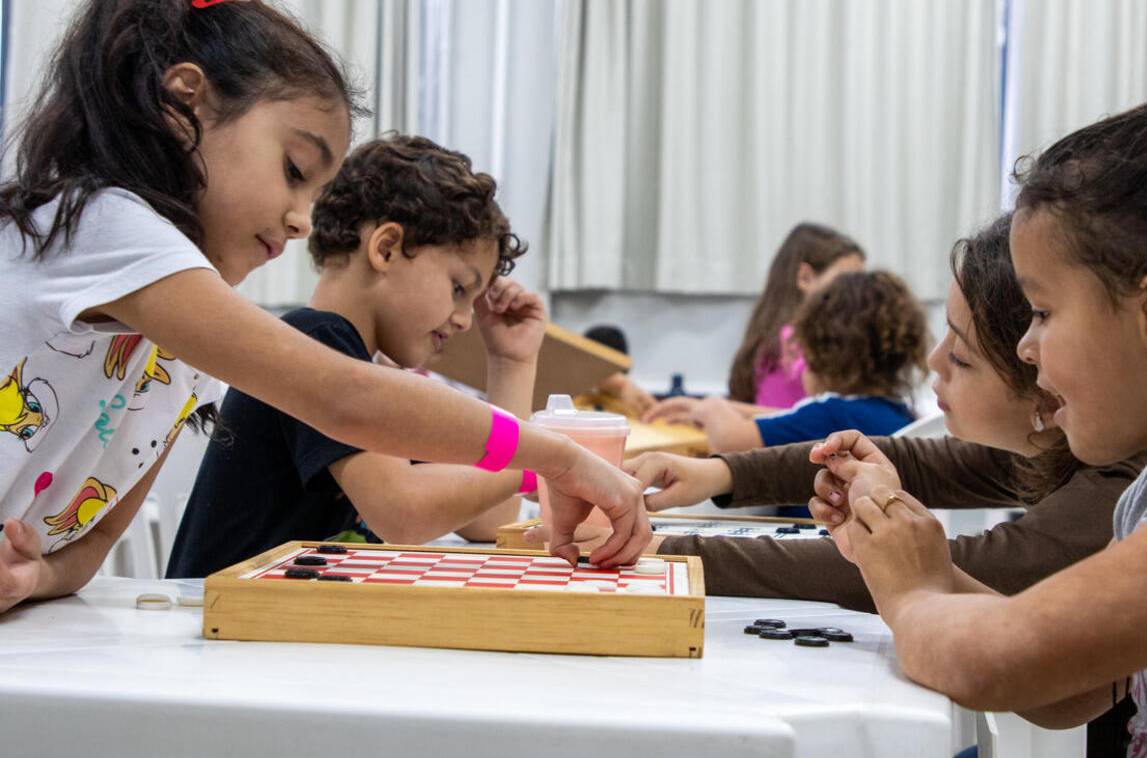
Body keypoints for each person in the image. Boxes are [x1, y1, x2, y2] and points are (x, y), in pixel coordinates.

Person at [0, 0, 646, 617]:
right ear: (180, 104)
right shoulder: (101, 224)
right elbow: (349, 401)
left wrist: (35, 575)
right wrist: (555, 456)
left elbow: (87, 548)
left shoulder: (176, 353)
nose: (301, 219)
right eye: (293, 168)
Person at [823, 81, 1147, 754]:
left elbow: (983, 663)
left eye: (1042, 312)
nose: (1023, 345)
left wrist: (909, 582)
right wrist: (904, 559)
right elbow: (1069, 691)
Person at [623, 213, 1144, 755]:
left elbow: (969, 583)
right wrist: (719, 472)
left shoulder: (1125, 490)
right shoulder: (1093, 461)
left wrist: (666, 551)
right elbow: (923, 464)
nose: (934, 360)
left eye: (962, 355)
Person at [167, 136, 541, 577]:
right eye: (459, 288)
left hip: (269, 628)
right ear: (385, 249)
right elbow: (402, 511)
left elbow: (488, 520)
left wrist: (512, 362)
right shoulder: (319, 343)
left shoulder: (368, 370)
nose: (463, 320)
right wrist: (541, 465)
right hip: (219, 624)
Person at [646, 270, 927, 457]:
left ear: (820, 352)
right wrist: (732, 408)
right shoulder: (895, 412)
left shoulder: (827, 414)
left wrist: (711, 407)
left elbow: (730, 440)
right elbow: (786, 417)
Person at [644, 222, 865, 425]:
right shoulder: (794, 341)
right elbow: (808, 420)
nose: (857, 291)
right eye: (846, 280)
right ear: (805, 277)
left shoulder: (771, 334)